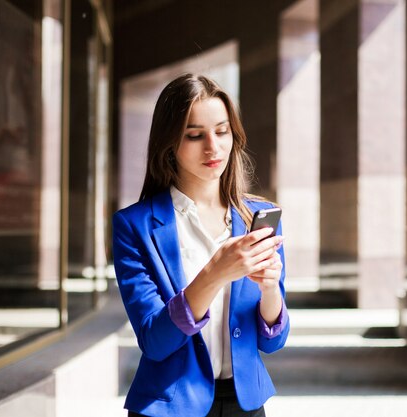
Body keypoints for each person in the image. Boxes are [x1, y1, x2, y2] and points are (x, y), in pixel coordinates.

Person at [113, 73, 289, 417]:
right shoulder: (135, 226)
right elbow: (155, 341)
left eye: (222, 132)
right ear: (169, 145)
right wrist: (215, 273)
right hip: (169, 407)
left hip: (246, 405)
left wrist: (270, 290)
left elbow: (272, 341)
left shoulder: (260, 216)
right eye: (195, 135)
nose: (213, 147)